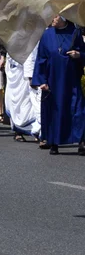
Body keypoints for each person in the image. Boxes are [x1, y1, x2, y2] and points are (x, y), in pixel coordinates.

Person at [30, 16, 85, 155]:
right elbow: (41, 58)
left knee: (77, 110)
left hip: (71, 79)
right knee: (55, 111)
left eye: (55, 16)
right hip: (52, 79)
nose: (52, 19)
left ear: (63, 18)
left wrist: (78, 55)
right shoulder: (47, 34)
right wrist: (41, 81)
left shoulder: (75, 32)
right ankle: (54, 142)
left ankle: (81, 141)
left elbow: (83, 53)